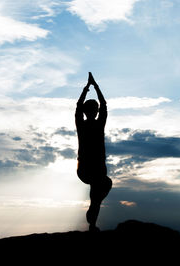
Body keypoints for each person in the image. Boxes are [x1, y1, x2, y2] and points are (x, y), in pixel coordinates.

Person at [75, 72, 112, 232]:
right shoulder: (97, 124)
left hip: (86, 169)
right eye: (95, 109)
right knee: (101, 189)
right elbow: (104, 105)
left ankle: (92, 223)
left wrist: (86, 88)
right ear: (94, 111)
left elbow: (79, 107)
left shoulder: (82, 124)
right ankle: (92, 215)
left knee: (99, 190)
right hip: (91, 169)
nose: (97, 111)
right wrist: (95, 86)